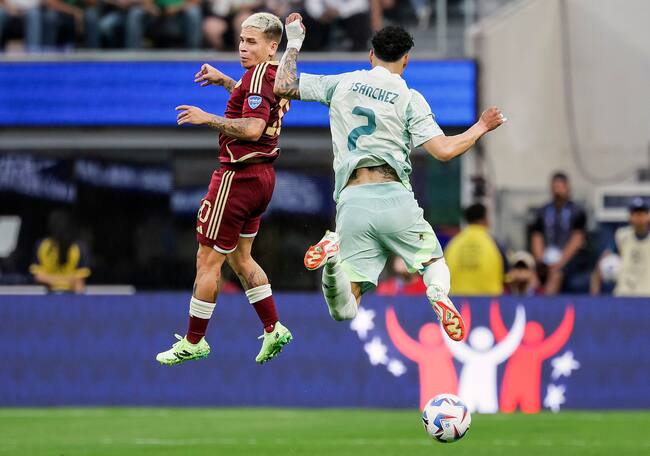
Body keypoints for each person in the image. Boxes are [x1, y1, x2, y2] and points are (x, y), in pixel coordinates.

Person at [273, 16, 506, 342]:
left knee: (345, 309)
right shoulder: (409, 98)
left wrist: (294, 40)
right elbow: (444, 151)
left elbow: (282, 85)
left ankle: (331, 261)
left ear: (371, 56)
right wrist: (480, 126)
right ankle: (438, 294)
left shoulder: (342, 83)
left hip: (353, 201)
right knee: (435, 263)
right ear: (406, 60)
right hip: (394, 196)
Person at [156, 12, 293, 366]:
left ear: (272, 46)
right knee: (241, 257)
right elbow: (254, 98)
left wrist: (207, 118)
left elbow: (251, 128)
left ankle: (194, 340)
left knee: (207, 259)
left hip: (238, 176)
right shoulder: (271, 75)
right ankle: (273, 327)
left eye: (251, 42)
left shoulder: (261, 74)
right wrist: (226, 82)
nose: (242, 48)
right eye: (241, 40)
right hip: (262, 178)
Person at [530, 172, 588, 294]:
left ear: (567, 188)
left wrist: (559, 263)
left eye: (560, 187)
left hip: (569, 260)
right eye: (554, 187)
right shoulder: (543, 211)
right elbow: (537, 237)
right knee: (530, 274)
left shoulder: (577, 212)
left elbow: (577, 240)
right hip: (547, 256)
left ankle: (546, 307)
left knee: (556, 274)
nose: (557, 190)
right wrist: (541, 262)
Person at [592, 198, 650, 296]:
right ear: (630, 217)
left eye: (642, 213)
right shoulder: (621, 235)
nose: (639, 217)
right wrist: (594, 297)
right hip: (623, 294)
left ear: (648, 216)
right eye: (635, 214)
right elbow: (602, 264)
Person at [444, 203, 505, 296]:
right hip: (488, 302)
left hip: (458, 301)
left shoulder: (453, 244)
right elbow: (506, 274)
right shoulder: (493, 244)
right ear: (484, 219)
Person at [29, 211, 91, 293]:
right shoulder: (42, 245)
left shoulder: (79, 247)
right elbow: (39, 277)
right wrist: (68, 280)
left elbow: (79, 283)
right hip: (47, 296)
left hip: (71, 297)